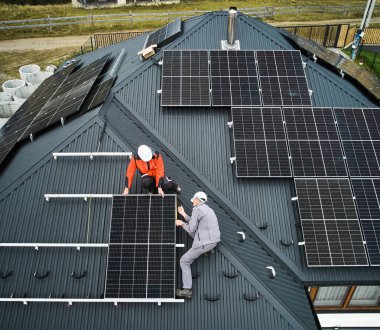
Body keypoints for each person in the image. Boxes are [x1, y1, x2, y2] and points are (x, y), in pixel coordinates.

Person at [176, 191, 221, 299]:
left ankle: (187, 290)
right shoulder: (207, 209)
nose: (192, 202)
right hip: (213, 241)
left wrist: (181, 223)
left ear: (198, 200)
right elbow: (193, 223)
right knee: (192, 230)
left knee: (184, 260)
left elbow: (191, 228)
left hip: (204, 243)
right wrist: (183, 214)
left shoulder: (197, 209)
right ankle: (208, 250)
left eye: (194, 200)